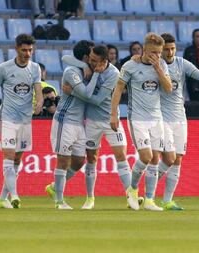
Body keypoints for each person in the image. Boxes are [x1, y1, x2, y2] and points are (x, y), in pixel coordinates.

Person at [46, 45, 140, 209]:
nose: (91, 61)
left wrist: (73, 91)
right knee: (90, 159)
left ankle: (130, 194)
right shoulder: (86, 67)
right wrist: (85, 67)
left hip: (111, 119)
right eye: (90, 58)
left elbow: (96, 100)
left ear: (104, 61)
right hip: (90, 121)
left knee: (121, 155)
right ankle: (90, 199)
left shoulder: (113, 74)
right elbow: (66, 59)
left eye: (95, 61)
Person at [110, 33, 172, 211]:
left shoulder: (162, 66)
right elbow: (118, 89)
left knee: (155, 159)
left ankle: (150, 200)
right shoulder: (130, 66)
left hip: (156, 118)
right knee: (146, 156)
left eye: (159, 53)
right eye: (153, 52)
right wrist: (114, 114)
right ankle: (133, 189)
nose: (157, 56)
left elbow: (168, 89)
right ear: (144, 50)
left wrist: (159, 69)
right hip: (137, 118)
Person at [157, 33, 199, 210]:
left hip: (180, 118)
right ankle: (147, 194)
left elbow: (197, 73)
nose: (170, 52)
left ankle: (167, 200)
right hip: (162, 118)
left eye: (172, 48)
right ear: (160, 50)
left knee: (178, 159)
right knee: (168, 158)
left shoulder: (181, 63)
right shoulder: (155, 66)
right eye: (166, 49)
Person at [0, 34, 43, 209]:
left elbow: (38, 89)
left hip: (25, 119)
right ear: (16, 49)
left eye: (30, 50)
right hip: (7, 117)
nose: (27, 53)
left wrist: (39, 102)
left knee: (17, 158)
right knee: (8, 156)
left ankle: (3, 197)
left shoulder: (35, 68)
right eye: (24, 50)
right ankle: (15, 195)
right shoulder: (4, 68)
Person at [49, 40, 102, 210]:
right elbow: (86, 95)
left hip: (79, 122)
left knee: (79, 161)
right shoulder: (71, 71)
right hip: (65, 120)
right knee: (63, 161)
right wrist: (91, 75)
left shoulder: (85, 68)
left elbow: (66, 57)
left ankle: (53, 187)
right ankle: (59, 200)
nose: (95, 58)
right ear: (86, 56)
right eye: (92, 54)